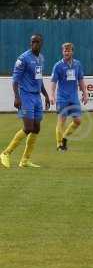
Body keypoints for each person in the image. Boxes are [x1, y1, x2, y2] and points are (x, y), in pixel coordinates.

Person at [0, 34, 50, 168]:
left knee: (36, 128)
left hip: (37, 98)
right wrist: (17, 97)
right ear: (30, 43)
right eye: (32, 42)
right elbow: (15, 80)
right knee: (28, 127)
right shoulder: (23, 59)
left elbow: (39, 79)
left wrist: (45, 95)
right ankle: (5, 153)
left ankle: (25, 160)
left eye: (37, 42)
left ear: (41, 43)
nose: (34, 44)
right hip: (25, 96)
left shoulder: (41, 58)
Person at [49, 42, 88, 151]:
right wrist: (52, 95)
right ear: (62, 52)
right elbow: (53, 81)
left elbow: (80, 79)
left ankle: (64, 137)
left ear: (72, 52)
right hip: (62, 97)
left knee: (78, 121)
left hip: (74, 97)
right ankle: (59, 144)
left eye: (68, 50)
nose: (66, 52)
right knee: (61, 120)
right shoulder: (58, 65)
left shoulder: (77, 64)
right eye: (65, 50)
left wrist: (85, 93)